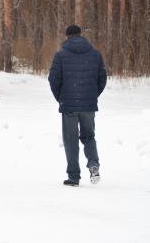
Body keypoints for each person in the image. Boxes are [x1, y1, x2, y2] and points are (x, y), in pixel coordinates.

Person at [48, 25, 107, 187]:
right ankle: (93, 163)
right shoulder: (95, 54)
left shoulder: (61, 55)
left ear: (67, 36)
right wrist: (93, 95)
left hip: (69, 105)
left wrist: (61, 98)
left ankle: (73, 177)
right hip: (88, 105)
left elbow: (53, 80)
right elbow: (102, 78)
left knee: (70, 140)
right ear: (81, 35)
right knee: (89, 136)